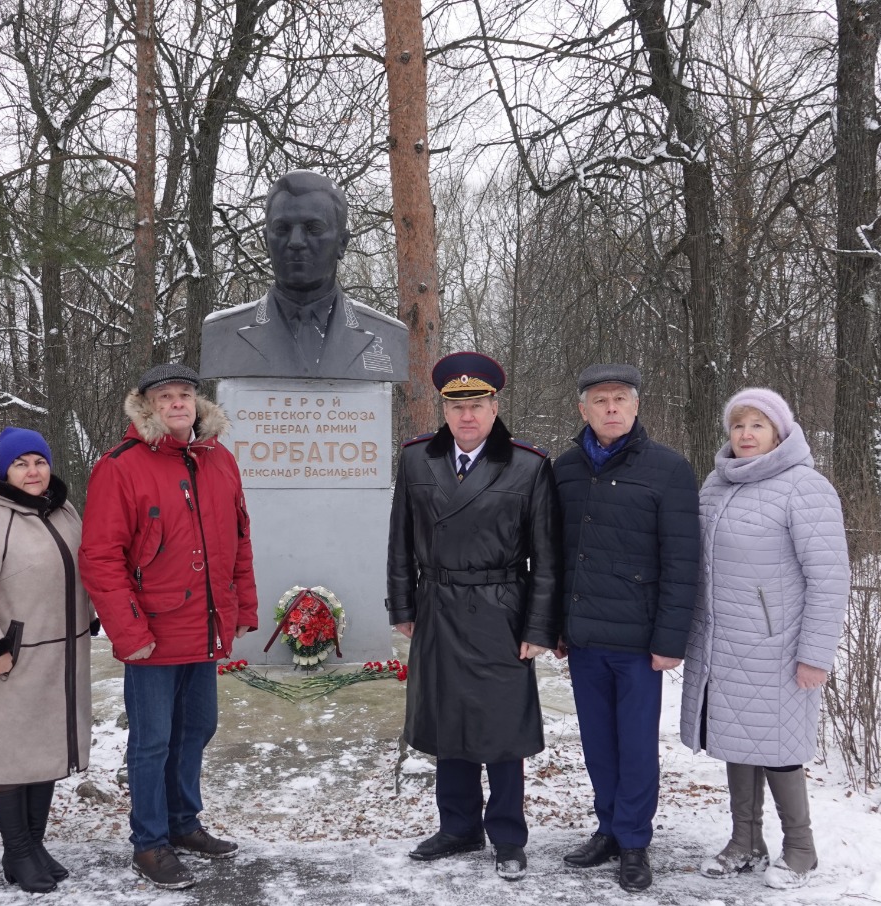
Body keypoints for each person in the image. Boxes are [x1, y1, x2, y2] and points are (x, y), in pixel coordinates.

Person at [79, 363, 259, 890]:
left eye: (184, 395)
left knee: (197, 729)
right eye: (165, 397)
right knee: (152, 740)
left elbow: (238, 541)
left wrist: (242, 608)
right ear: (148, 406)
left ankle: (184, 824)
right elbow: (101, 557)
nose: (177, 403)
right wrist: (129, 632)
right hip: (153, 630)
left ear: (196, 404)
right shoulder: (121, 466)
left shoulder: (219, 460)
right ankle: (150, 841)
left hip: (205, 626)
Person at [386, 352, 561, 881]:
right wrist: (402, 605)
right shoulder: (417, 459)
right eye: (456, 405)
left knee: (502, 726)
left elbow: (547, 557)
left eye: (478, 405)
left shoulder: (528, 464)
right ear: (443, 408)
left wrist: (538, 627)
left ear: (495, 406)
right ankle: (458, 824)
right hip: (437, 603)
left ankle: (507, 834)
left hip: (500, 608)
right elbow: (399, 538)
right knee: (448, 718)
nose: (467, 416)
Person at [680, 388, 849, 890]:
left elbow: (829, 577)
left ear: (779, 432)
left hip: (779, 647)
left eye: (757, 425)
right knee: (739, 739)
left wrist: (815, 654)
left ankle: (801, 849)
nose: (746, 434)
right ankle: (745, 842)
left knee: (778, 748)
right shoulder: (715, 483)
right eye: (738, 425)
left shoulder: (805, 487)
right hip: (722, 645)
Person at [553, 364, 700, 893]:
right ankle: (608, 829)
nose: (611, 408)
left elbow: (683, 563)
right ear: (583, 409)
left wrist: (669, 640)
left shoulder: (668, 469)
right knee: (597, 742)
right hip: (585, 637)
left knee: (636, 743)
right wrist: (557, 627)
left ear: (636, 407)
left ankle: (635, 841)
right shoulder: (565, 470)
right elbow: (555, 556)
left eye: (620, 399)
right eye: (600, 400)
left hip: (639, 642)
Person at [0, 427, 95, 894]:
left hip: (59, 657)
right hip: (9, 662)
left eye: (39, 461)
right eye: (21, 464)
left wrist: (87, 616)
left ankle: (34, 844)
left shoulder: (64, 512)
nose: (32, 471)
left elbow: (83, 569)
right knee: (12, 760)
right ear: (5, 471)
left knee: (44, 755)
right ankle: (18, 851)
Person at [199, 170, 408, 381]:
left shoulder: (386, 336)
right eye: (282, 229)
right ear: (266, 242)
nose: (296, 241)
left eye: (313, 228)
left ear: (342, 243)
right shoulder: (222, 333)